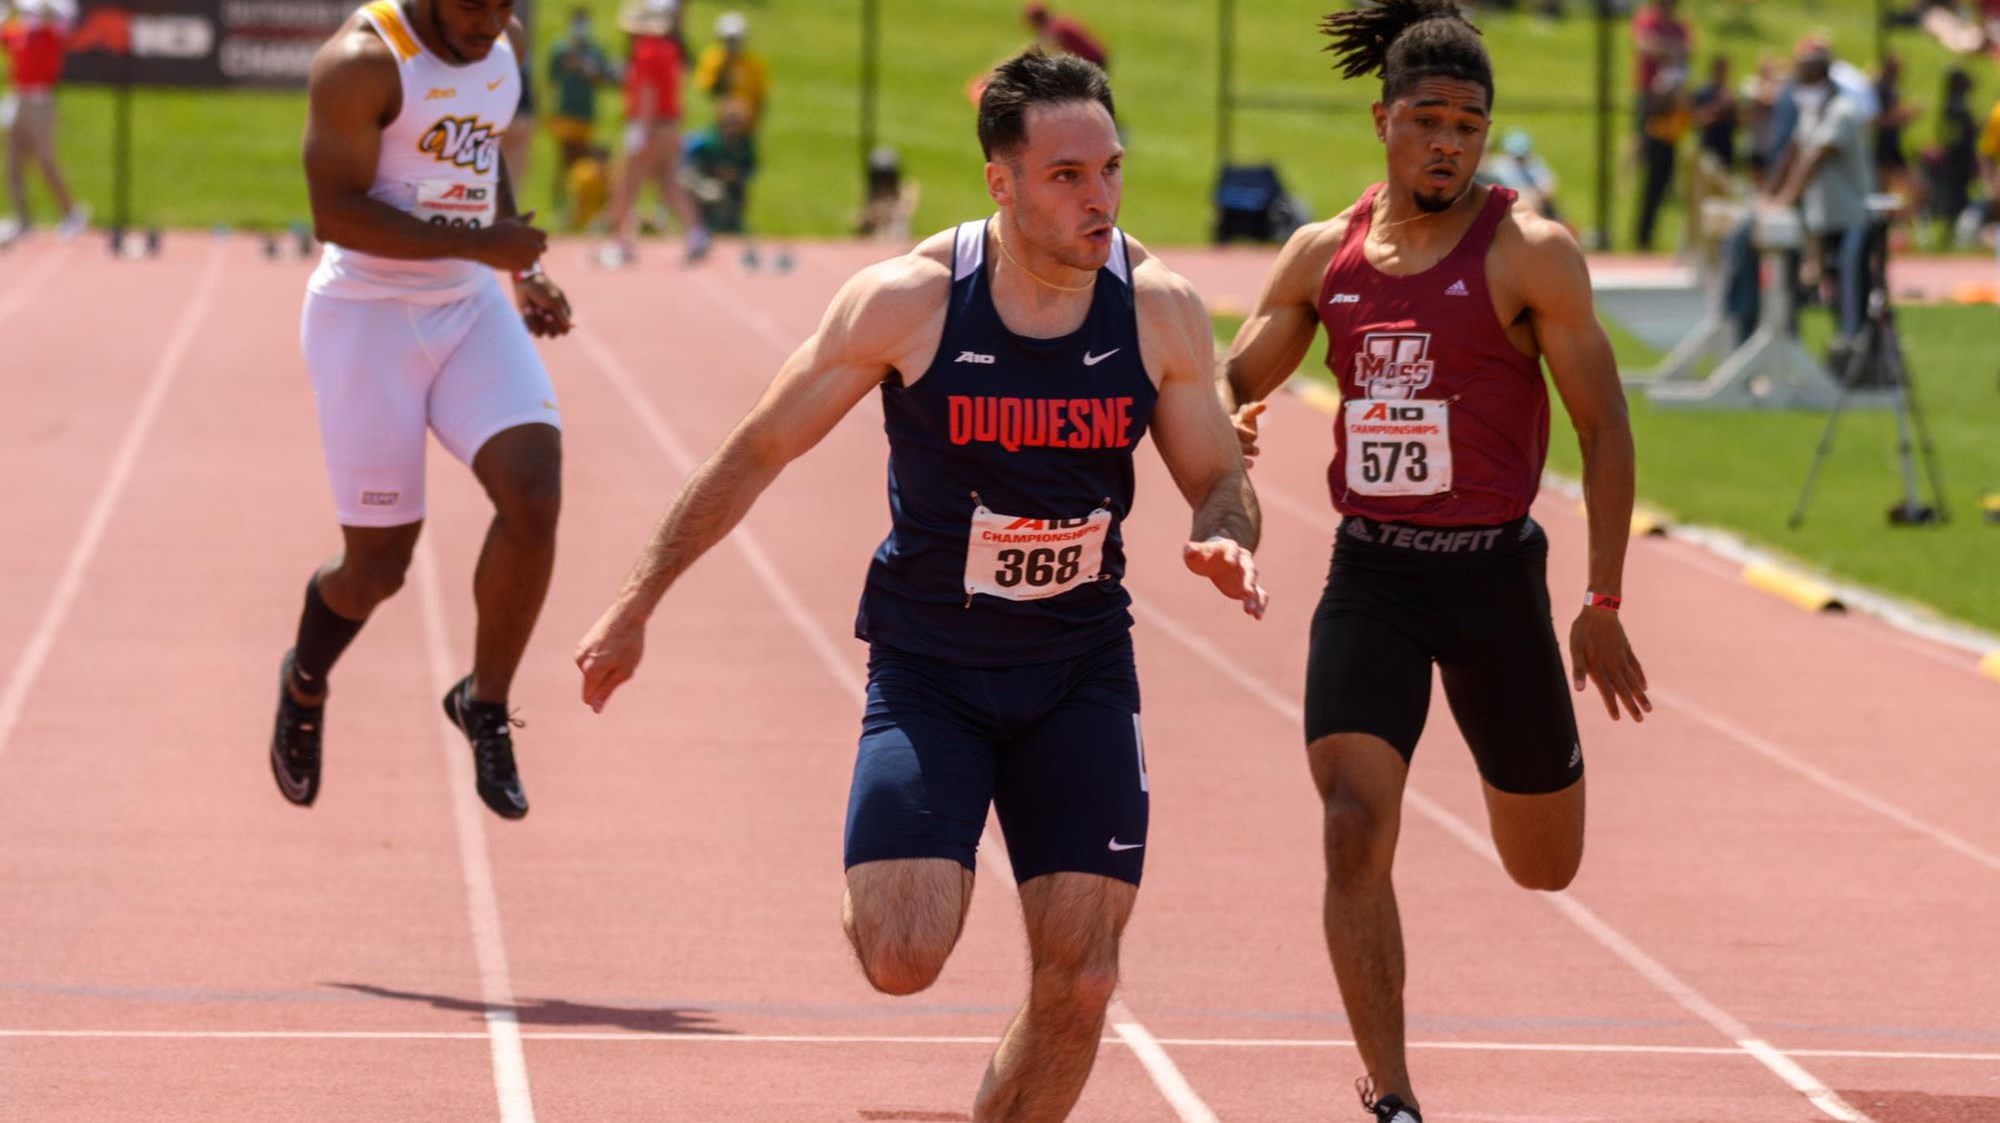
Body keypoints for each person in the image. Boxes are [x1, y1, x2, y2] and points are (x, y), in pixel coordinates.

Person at [576, 50, 1266, 1122]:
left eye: (1109, 171)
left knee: (1079, 979)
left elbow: (1218, 474)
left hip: (1079, 670)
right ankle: (896, 844)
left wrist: (1227, 537)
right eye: (1066, 177)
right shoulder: (909, 303)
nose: (1099, 199)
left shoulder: (1156, 309)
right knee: (902, 952)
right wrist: (636, 600)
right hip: (933, 667)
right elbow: (758, 448)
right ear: (1000, 181)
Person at [1217, 3, 1648, 1120]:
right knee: (1351, 822)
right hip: (1373, 578)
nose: (1448, 141)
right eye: (1427, 120)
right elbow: (1229, 381)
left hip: (1494, 578)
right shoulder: (1323, 256)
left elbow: (1602, 428)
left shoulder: (1528, 253)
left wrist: (1599, 599)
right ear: (1382, 122)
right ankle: (1393, 1094)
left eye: (1468, 122)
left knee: (1543, 866)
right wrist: (1228, 423)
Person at [272, 0, 574, 822]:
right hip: (367, 319)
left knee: (534, 494)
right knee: (378, 569)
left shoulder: (500, 40)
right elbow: (335, 212)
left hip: (468, 305)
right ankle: (305, 677)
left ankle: (484, 701)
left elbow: (476, 147)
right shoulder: (362, 62)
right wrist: (485, 245)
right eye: (473, 4)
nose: (490, 21)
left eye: (504, 3)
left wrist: (515, 261)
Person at [1766, 43, 1874, 344]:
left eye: (1804, 76)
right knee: (1833, 292)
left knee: (1851, 296)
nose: (1798, 83)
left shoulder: (1842, 111)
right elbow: (1793, 152)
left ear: (1820, 75)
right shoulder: (1812, 111)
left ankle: (1855, 350)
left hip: (1848, 219)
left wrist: (1785, 198)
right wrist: (1769, 194)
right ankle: (1844, 350)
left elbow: (1814, 158)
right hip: (1825, 220)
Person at [600, 0, 707, 266]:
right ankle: (696, 233)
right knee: (668, 182)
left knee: (627, 182)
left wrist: (641, 131)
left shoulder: (645, 50)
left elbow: (648, 91)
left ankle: (620, 240)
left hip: (652, 124)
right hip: (670, 125)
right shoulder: (670, 49)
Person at [0, 0, 86, 246]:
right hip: (17, 99)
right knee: (13, 163)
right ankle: (22, 219)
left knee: (45, 159)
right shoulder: (17, 35)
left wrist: (43, 8)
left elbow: (65, 20)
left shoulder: (51, 36)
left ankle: (71, 213)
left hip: (40, 101)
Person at [546, 5, 617, 225]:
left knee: (585, 165)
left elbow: (608, 79)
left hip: (586, 114)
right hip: (565, 113)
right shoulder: (560, 49)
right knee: (563, 162)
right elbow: (551, 80)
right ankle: (558, 208)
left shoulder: (595, 52)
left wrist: (591, 70)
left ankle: (581, 210)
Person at [680, 97, 755, 233]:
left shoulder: (744, 146)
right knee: (707, 191)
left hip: (732, 192)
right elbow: (690, 166)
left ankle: (727, 225)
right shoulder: (707, 142)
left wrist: (732, 175)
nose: (732, 127)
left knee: (721, 197)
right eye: (729, 122)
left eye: (736, 123)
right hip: (704, 185)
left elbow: (748, 171)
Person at [692, 10, 768, 132]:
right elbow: (708, 89)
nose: (732, 45)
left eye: (735, 40)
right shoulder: (713, 60)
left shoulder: (752, 64)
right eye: (728, 40)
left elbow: (761, 96)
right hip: (718, 125)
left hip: (745, 123)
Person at [1023, 3, 1108, 71]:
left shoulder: (1054, 29)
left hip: (1091, 59)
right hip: (1093, 56)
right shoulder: (1057, 21)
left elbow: (1047, 50)